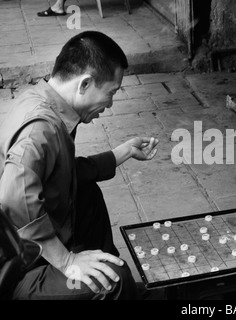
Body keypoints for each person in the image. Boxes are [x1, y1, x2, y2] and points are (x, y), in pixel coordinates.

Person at [0, 31, 159, 300]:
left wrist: (121, 153)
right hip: (19, 270)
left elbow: (61, 173)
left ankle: (106, 274)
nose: (109, 104)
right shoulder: (39, 129)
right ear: (84, 84)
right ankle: (110, 283)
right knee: (112, 281)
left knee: (86, 194)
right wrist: (67, 262)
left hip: (35, 246)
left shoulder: (44, 98)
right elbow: (15, 204)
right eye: (111, 93)